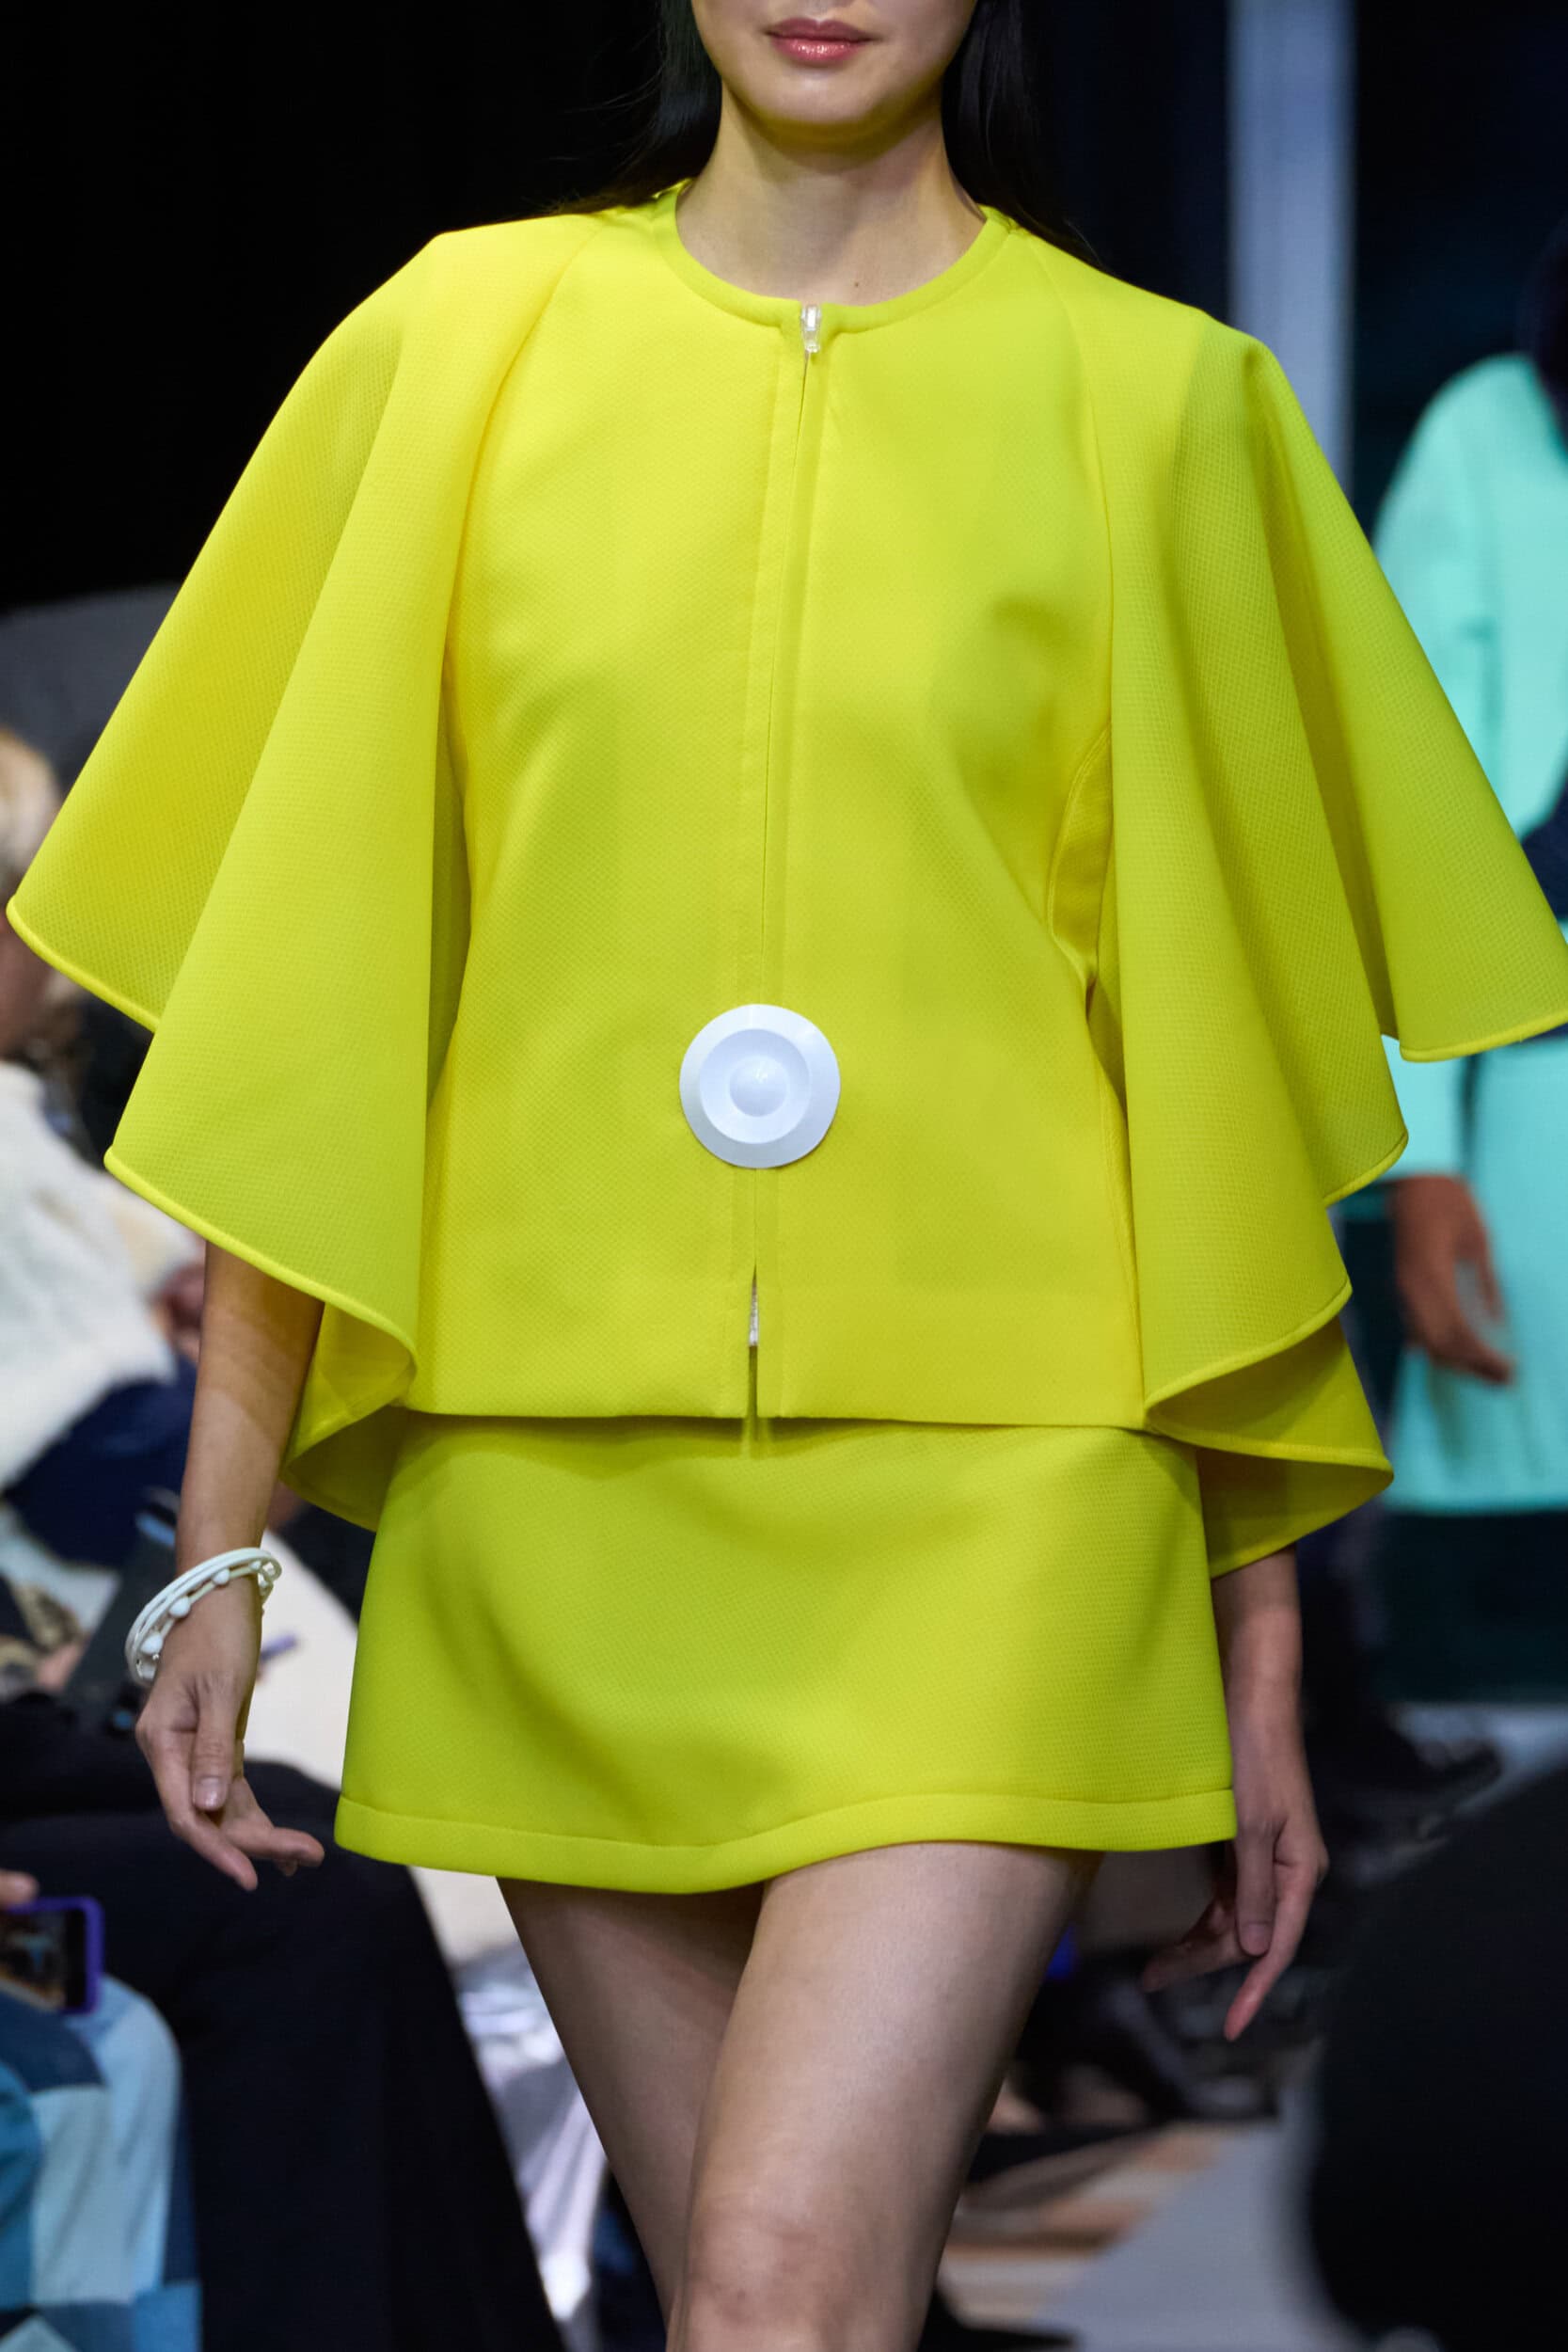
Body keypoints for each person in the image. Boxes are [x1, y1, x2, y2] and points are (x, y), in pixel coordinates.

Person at [8, 8, 1568, 2350]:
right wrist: (224, 1543)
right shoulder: (458, 344)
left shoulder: (1158, 400)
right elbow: (326, 1001)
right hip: (556, 1491)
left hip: (1001, 1485)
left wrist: (1256, 1640)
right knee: (771, 2312)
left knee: (769, 2294)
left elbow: (1207, 1074)